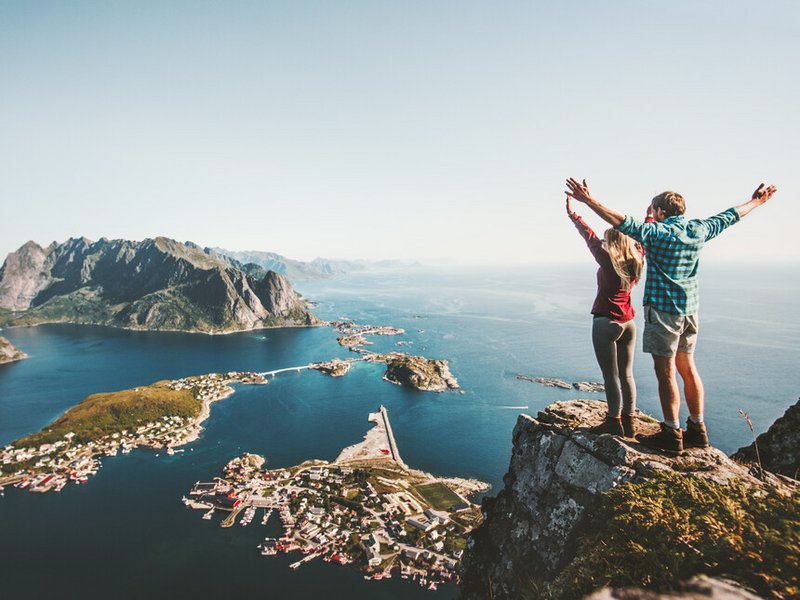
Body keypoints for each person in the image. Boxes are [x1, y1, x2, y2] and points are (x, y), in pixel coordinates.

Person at [565, 177, 777, 455]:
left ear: (661, 212)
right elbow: (731, 215)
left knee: (665, 373)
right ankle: (698, 429)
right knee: (688, 368)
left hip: (663, 313)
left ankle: (671, 431)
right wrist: (757, 201)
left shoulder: (658, 235)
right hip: (690, 311)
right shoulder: (699, 229)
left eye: (655, 212)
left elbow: (621, 223)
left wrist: (587, 203)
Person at [566, 195, 647, 437]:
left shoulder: (607, 259)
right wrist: (649, 216)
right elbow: (644, 238)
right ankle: (630, 421)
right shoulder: (637, 259)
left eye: (605, 239)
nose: (601, 241)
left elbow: (588, 235)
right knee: (627, 374)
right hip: (629, 323)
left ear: (610, 242)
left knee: (610, 376)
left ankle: (613, 420)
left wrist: (573, 214)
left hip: (605, 321)